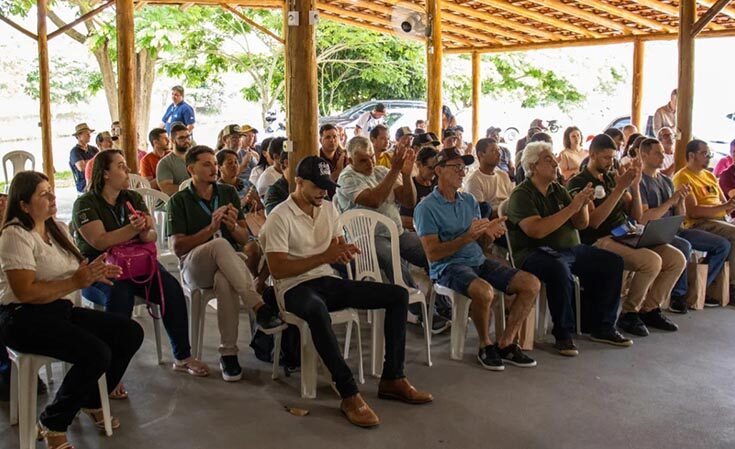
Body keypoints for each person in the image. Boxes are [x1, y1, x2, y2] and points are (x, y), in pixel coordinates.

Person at [262, 155, 432, 428]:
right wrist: (325, 256)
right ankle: (348, 392)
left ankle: (393, 377)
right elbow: (278, 269)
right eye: (317, 186)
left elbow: (336, 244)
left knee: (397, 295)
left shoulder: (328, 209)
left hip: (324, 279)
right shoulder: (279, 216)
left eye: (326, 186)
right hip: (292, 287)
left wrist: (342, 252)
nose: (323, 192)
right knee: (316, 309)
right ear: (299, 182)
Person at [0, 171, 143, 449]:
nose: (53, 197)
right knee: (96, 352)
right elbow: (25, 292)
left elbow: (74, 270)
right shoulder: (15, 236)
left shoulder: (57, 228)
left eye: (51, 190)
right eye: (44, 194)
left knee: (129, 333)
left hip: (56, 309)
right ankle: (53, 422)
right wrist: (76, 281)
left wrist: (90, 272)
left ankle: (89, 402)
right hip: (21, 318)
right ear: (24, 204)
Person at [73, 149, 209, 385]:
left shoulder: (131, 198)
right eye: (120, 166)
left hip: (137, 265)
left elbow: (152, 235)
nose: (127, 170)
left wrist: (145, 229)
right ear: (105, 173)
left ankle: (182, 356)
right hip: (100, 270)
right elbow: (99, 241)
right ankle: (111, 372)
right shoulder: (86, 203)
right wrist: (134, 229)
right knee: (120, 295)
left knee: (171, 289)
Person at [414, 147, 541, 370]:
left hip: (477, 260)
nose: (462, 173)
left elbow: (479, 244)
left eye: (464, 168)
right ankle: (485, 345)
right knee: (484, 291)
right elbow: (432, 254)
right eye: (457, 167)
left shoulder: (469, 201)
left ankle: (506, 343)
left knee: (531, 284)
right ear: (439, 170)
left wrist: (487, 234)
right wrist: (467, 237)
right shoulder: (426, 208)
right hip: (448, 266)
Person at [167, 146, 282, 382]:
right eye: (206, 164)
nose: (214, 168)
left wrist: (231, 227)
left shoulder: (228, 193)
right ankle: (259, 306)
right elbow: (178, 248)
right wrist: (210, 229)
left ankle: (228, 354)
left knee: (224, 277)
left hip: (229, 264)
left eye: (214, 163)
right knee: (219, 246)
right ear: (191, 169)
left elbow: (243, 237)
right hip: (194, 265)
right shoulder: (179, 200)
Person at [506, 142, 631, 355]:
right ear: (533, 166)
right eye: (548, 159)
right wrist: (573, 206)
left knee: (612, 262)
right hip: (534, 252)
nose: (555, 162)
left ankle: (602, 326)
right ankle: (563, 333)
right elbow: (536, 230)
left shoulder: (558, 189)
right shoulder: (522, 194)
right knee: (558, 268)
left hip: (571, 249)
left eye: (553, 157)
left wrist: (581, 204)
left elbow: (581, 224)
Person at [568, 134, 685, 337]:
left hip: (627, 232)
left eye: (612, 157)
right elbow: (594, 222)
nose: (610, 162)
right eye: (605, 157)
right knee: (651, 262)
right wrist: (620, 188)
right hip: (600, 239)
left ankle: (649, 309)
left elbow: (637, 215)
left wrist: (635, 186)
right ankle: (629, 313)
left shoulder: (613, 177)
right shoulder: (579, 182)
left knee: (676, 258)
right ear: (593, 155)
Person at [335, 136, 449, 332]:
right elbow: (374, 200)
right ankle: (420, 313)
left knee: (430, 252)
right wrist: (395, 169)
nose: (370, 163)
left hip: (397, 232)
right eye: (363, 160)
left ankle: (441, 303)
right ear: (349, 159)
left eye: (371, 157)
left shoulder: (381, 171)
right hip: (367, 239)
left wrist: (405, 174)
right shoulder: (347, 178)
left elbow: (409, 202)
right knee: (391, 257)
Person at [638, 138, 730, 312]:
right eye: (657, 152)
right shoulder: (640, 182)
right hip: (653, 231)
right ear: (644, 155)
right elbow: (645, 218)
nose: (663, 155)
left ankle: (698, 287)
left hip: (675, 228)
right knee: (684, 245)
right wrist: (671, 201)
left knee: (722, 245)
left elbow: (680, 216)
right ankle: (678, 295)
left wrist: (679, 201)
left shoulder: (665, 180)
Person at [673, 139, 735, 302]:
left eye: (709, 154)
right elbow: (693, 212)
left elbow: (723, 202)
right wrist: (724, 207)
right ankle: (728, 286)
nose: (708, 157)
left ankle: (710, 286)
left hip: (719, 220)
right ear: (691, 155)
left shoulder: (709, 175)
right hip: (698, 223)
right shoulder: (683, 177)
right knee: (731, 238)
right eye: (704, 153)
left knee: (728, 241)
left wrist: (729, 206)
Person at [464, 138, 515, 219]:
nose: (499, 154)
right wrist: (506, 210)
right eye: (493, 151)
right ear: (481, 154)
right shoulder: (474, 180)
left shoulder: (503, 175)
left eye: (499, 150)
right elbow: (481, 214)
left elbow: (513, 199)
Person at [400, 147, 438, 231]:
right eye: (430, 168)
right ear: (419, 165)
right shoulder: (410, 187)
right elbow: (403, 219)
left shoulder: (437, 184)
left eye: (436, 168)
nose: (434, 172)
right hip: (419, 232)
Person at [156, 123, 192, 196]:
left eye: (188, 137)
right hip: (175, 203)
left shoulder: (197, 158)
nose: (186, 140)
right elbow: (167, 189)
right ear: (172, 140)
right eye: (182, 138)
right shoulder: (165, 163)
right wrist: (193, 190)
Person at [319, 124, 349, 197]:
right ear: (321, 140)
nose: (332, 140)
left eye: (335, 137)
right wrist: (338, 171)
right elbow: (321, 184)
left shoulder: (343, 157)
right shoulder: (317, 159)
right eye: (328, 137)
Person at [70, 123, 99, 193]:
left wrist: (87, 162)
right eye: (87, 134)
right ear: (79, 136)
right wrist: (95, 161)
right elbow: (82, 167)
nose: (89, 136)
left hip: (97, 179)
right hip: (84, 183)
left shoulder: (94, 149)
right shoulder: (75, 151)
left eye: (89, 134)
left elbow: (101, 161)